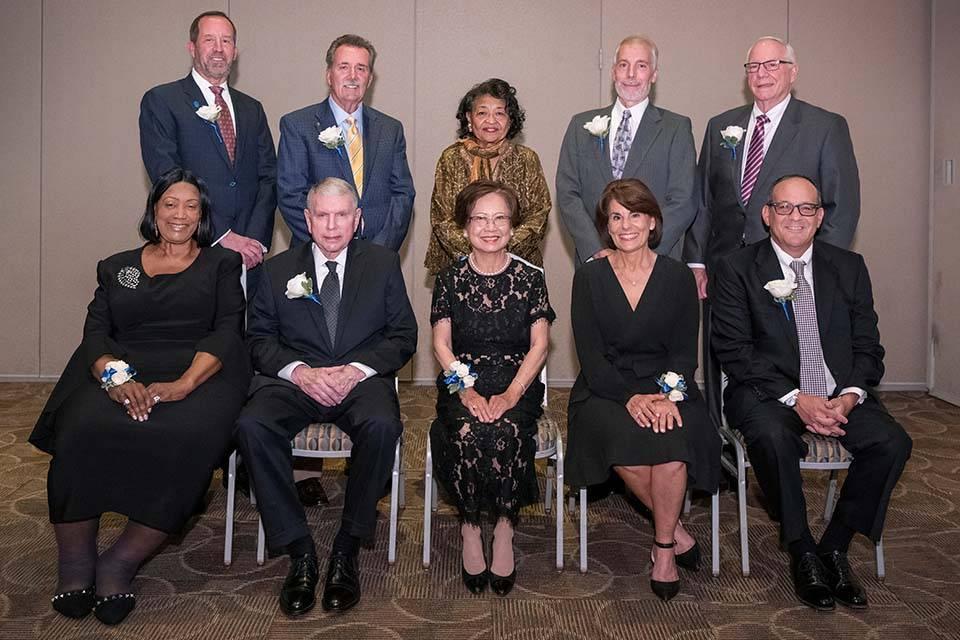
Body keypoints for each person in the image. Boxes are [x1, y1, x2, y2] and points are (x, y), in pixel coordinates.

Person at [29, 168, 251, 625]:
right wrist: (115, 379)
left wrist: (185, 384)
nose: (180, 214)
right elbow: (96, 332)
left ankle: (120, 563)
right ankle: (74, 564)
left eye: (192, 205)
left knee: (184, 435)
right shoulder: (118, 267)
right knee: (82, 428)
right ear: (154, 210)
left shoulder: (221, 264)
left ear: (203, 215)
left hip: (198, 372)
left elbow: (229, 330)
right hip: (122, 371)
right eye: (171, 203)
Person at [711, 175, 911, 611]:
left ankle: (835, 547)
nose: (795, 217)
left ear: (820, 217)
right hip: (767, 393)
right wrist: (796, 398)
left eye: (806, 209)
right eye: (784, 207)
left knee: (893, 442)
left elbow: (867, 346)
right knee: (772, 437)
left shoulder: (849, 267)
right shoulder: (737, 268)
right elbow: (733, 350)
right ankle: (801, 548)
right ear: (767, 215)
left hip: (838, 392)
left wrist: (851, 396)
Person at [235, 177, 417, 616]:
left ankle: (347, 544)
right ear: (307, 218)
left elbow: (403, 336)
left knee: (383, 424)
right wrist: (300, 373)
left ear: (357, 220)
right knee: (251, 425)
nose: (332, 226)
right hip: (297, 383)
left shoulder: (383, 263)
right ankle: (299, 549)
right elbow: (258, 340)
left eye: (341, 216)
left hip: (359, 382)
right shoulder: (278, 270)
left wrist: (356, 370)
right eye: (323, 215)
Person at [683, 36, 860, 423]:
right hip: (726, 270)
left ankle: (792, 430)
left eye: (772, 65)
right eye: (753, 67)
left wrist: (815, 270)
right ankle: (721, 448)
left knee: (789, 359)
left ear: (793, 72)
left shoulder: (825, 127)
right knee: (723, 355)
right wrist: (697, 261)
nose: (761, 74)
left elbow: (841, 207)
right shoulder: (721, 126)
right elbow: (704, 201)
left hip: (792, 270)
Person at [566, 178, 720, 601]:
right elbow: (591, 356)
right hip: (606, 388)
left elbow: (683, 351)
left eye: (635, 214)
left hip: (667, 383)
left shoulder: (676, 277)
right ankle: (676, 531)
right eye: (616, 217)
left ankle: (664, 549)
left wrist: (668, 395)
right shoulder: (589, 277)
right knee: (620, 440)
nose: (626, 225)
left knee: (672, 441)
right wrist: (631, 398)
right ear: (606, 226)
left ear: (652, 222)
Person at [429, 181, 555, 596]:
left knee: (506, 430)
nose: (490, 227)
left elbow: (540, 345)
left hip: (517, 379)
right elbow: (441, 346)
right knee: (467, 429)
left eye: (500, 218)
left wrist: (512, 394)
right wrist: (465, 391)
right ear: (464, 227)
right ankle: (469, 526)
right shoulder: (448, 279)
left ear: (513, 225)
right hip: (461, 378)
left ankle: (503, 526)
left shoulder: (530, 277)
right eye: (480, 218)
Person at [139, 11, 277, 294]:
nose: (218, 48)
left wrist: (254, 241)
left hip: (249, 260)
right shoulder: (163, 101)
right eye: (209, 40)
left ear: (235, 52)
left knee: (248, 335)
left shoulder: (252, 109)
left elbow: (269, 177)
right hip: (193, 247)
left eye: (226, 41)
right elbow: (168, 177)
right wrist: (223, 234)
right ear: (192, 47)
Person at [557, 35, 696, 265]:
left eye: (641, 66)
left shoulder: (676, 128)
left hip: (655, 262)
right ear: (613, 72)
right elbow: (568, 192)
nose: (631, 75)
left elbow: (684, 199)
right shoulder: (580, 126)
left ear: (654, 75)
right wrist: (595, 249)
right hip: (596, 263)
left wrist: (644, 253)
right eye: (623, 65)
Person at [277, 34, 415, 250]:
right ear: (329, 75)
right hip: (318, 255)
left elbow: (403, 195)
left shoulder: (390, 129)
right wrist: (329, 245)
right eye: (344, 67)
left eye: (361, 68)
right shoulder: (298, 125)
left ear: (370, 79)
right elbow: (290, 195)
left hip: (377, 257)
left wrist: (379, 251)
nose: (353, 76)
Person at [424, 79, 551, 275]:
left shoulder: (527, 159)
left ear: (511, 119)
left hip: (518, 269)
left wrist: (502, 254)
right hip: (459, 268)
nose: (491, 121)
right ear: (469, 117)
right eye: (482, 113)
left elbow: (538, 215)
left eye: (499, 113)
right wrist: (477, 257)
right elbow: (442, 219)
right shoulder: (451, 158)